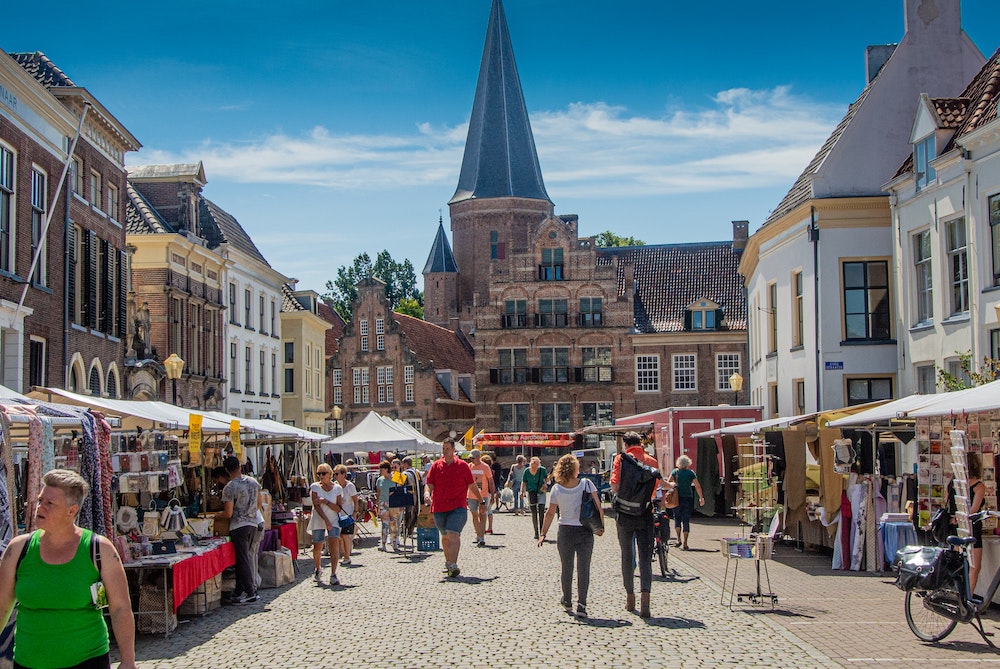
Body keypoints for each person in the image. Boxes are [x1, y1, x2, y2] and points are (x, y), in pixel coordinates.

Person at [0, 469, 137, 669]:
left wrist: (128, 661)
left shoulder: (99, 549)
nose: (40, 507)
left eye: (49, 503)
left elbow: (120, 608)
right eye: (40, 500)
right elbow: (2, 606)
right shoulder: (19, 549)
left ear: (71, 511)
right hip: (28, 662)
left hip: (87, 660)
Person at [538, 454, 604, 619]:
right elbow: (598, 507)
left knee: (566, 568)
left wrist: (543, 533)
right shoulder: (586, 484)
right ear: (576, 468)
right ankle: (582, 604)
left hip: (565, 531)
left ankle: (567, 600)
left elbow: (550, 513)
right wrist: (600, 528)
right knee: (584, 569)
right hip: (585, 530)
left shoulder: (557, 489)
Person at [610, 431, 660, 618]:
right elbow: (654, 491)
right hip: (645, 513)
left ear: (625, 444)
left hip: (624, 514)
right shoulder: (651, 461)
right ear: (641, 443)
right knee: (645, 557)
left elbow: (615, 486)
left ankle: (630, 597)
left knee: (626, 555)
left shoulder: (621, 460)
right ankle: (645, 598)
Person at [425, 438, 487, 578]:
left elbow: (472, 485)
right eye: (443, 449)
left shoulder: (463, 466)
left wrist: (481, 501)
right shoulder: (436, 466)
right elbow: (429, 484)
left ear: (453, 450)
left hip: (458, 507)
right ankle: (448, 562)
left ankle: (453, 564)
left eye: (448, 449)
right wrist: (427, 494)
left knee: (453, 534)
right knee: (445, 536)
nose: (445, 452)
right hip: (439, 507)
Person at [219, 455, 262, 603]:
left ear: (226, 470)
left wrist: (217, 517)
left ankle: (250, 591)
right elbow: (259, 504)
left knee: (242, 559)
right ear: (240, 466)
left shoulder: (230, 487)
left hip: (238, 525)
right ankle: (239, 590)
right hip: (253, 523)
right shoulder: (253, 482)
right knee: (242, 558)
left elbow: (228, 513)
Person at [948, 453, 987, 593]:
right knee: (974, 567)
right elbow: (973, 511)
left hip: (955, 527)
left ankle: (957, 594)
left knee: (959, 564)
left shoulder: (953, 483)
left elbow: (948, 503)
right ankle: (967, 599)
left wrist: (955, 518)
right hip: (972, 529)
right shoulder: (978, 486)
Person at [308, 463, 343, 585]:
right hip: (319, 518)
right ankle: (318, 568)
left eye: (323, 473)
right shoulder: (315, 487)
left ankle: (333, 573)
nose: (321, 476)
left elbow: (338, 508)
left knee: (334, 545)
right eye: (319, 474)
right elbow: (316, 505)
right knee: (317, 546)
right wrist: (326, 520)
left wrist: (325, 501)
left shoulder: (337, 488)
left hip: (333, 519)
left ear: (330, 474)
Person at [666, 454, 705, 551]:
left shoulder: (675, 472)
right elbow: (697, 486)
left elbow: (668, 483)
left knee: (677, 518)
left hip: (676, 498)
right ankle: (685, 542)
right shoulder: (691, 473)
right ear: (688, 463)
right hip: (687, 498)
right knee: (686, 519)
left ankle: (678, 539)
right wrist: (701, 497)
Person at [467, 450, 493, 546]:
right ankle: (478, 534)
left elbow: (490, 481)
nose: (471, 460)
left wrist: (493, 494)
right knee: (474, 515)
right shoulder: (469, 466)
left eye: (473, 458)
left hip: (484, 495)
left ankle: (481, 537)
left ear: (478, 457)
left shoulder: (485, 467)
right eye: (471, 458)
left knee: (482, 515)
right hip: (471, 495)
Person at [334, 465, 359, 565]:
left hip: (347, 514)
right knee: (340, 537)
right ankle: (345, 554)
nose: (335, 476)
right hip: (337, 515)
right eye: (334, 474)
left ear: (343, 474)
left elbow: (356, 501)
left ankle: (347, 556)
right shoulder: (335, 486)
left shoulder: (350, 486)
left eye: (337, 474)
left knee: (345, 536)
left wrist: (355, 513)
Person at [521, 457, 548, 540]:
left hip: (541, 491)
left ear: (538, 464)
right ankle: (536, 532)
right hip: (531, 491)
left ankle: (542, 531)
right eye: (532, 465)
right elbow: (524, 481)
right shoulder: (526, 471)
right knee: (533, 512)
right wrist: (522, 491)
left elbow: (547, 478)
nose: (533, 467)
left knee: (541, 511)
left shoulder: (542, 470)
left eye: (535, 465)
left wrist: (545, 484)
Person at [375, 461, 397, 551]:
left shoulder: (396, 477)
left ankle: (394, 542)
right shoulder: (379, 480)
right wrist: (377, 504)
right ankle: (383, 543)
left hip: (394, 503)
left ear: (386, 469)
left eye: (381, 469)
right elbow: (378, 492)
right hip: (383, 503)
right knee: (384, 524)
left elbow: (404, 486)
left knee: (393, 524)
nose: (380, 471)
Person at [482, 454, 498, 533]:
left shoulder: (485, 470)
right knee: (489, 510)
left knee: (484, 510)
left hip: (485, 492)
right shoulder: (491, 470)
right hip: (490, 491)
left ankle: (484, 527)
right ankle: (489, 527)